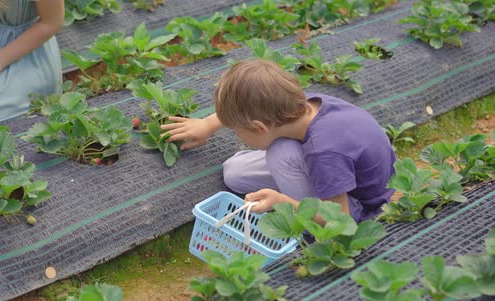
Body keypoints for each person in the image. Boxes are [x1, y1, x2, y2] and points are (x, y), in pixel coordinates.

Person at [161, 59, 396, 222]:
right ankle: (295, 193)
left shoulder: (324, 152)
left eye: (235, 130)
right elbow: (250, 104)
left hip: (355, 206)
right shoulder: (305, 105)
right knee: (235, 172)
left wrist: (282, 202)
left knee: (280, 154)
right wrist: (208, 124)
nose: (235, 133)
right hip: (338, 173)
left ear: (259, 127)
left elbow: (339, 217)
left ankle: (305, 225)